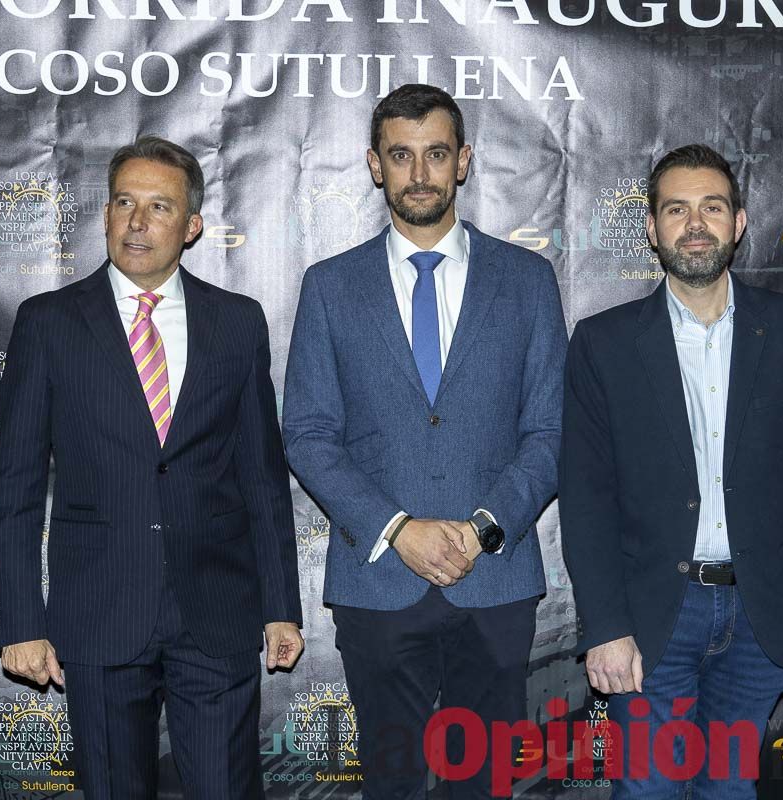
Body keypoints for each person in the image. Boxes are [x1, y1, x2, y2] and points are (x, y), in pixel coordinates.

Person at [0, 135, 303, 799]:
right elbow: (13, 487)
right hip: (97, 615)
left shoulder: (238, 323)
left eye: (159, 207)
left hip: (216, 614)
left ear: (191, 227)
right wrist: (19, 622)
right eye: (124, 202)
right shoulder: (47, 324)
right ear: (105, 214)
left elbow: (262, 477)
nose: (137, 222)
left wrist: (281, 607)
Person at [281, 83, 567, 797]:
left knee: (485, 784)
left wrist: (481, 529)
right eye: (401, 156)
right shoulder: (329, 286)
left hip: (494, 581)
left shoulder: (528, 281)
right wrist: (398, 528)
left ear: (463, 161)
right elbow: (309, 433)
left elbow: (551, 430)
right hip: (379, 581)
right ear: (375, 165)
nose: (419, 174)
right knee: (394, 785)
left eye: (435, 154)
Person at [560, 144, 783, 798]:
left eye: (711, 208)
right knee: (651, 789)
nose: (696, 223)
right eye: (677, 209)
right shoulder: (604, 344)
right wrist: (605, 626)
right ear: (653, 228)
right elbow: (586, 500)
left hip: (760, 612)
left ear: (739, 222)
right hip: (652, 614)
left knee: (729, 789)